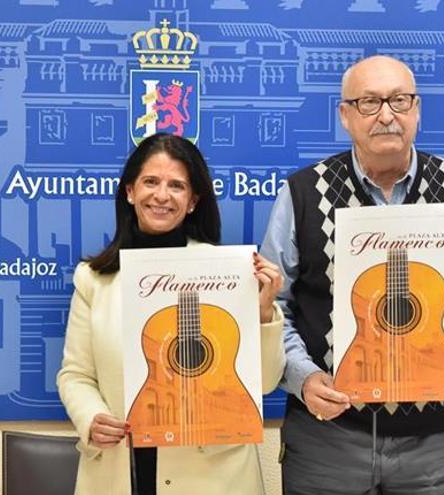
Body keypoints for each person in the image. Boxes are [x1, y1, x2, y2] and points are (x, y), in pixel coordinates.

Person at [261, 56, 444, 494]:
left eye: (399, 100)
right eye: (368, 102)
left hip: (437, 444)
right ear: (345, 115)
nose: (386, 115)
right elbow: (273, 305)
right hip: (328, 438)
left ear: (417, 109)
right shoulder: (302, 192)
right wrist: (303, 378)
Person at [58, 133, 285, 495]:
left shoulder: (229, 273)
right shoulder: (94, 280)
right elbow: (76, 374)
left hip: (215, 476)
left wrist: (263, 310)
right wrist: (91, 418)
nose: (162, 195)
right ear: (130, 192)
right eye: (151, 181)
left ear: (193, 201)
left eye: (176, 185)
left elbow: (266, 383)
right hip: (122, 466)